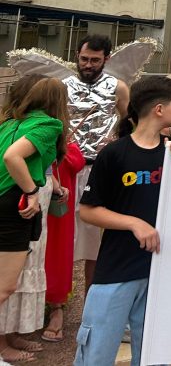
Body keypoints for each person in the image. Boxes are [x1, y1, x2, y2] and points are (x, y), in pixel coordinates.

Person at [75, 75, 171, 366]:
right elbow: (88, 210)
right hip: (117, 268)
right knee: (96, 352)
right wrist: (133, 223)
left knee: (152, 354)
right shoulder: (114, 154)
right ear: (159, 109)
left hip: (160, 270)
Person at [0, 77, 66, 361]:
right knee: (5, 285)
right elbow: (12, 157)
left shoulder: (8, 123)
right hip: (12, 205)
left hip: (5, 201)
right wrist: (30, 192)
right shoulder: (49, 125)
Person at [64, 35, 130, 295]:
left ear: (106, 59)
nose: (88, 65)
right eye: (83, 59)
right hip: (67, 169)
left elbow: (129, 123)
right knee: (63, 236)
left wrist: (116, 143)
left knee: (96, 241)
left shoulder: (119, 87)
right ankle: (58, 305)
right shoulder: (62, 85)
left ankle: (90, 300)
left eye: (94, 60)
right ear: (77, 56)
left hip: (100, 170)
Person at [41, 135, 83, 344]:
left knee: (57, 253)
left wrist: (62, 150)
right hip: (28, 199)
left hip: (58, 208)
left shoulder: (67, 142)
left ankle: (56, 307)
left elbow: (78, 162)